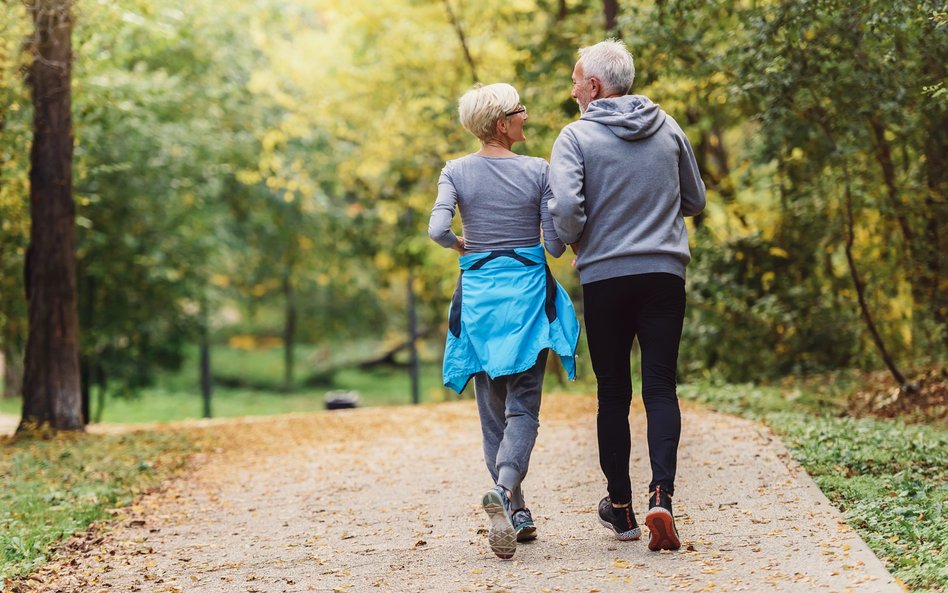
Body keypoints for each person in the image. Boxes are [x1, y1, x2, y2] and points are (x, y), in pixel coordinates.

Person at [548, 39, 706, 552]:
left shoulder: (575, 137)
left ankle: (621, 509)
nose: (572, 90)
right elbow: (694, 199)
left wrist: (580, 240)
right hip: (664, 273)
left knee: (613, 393)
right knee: (660, 386)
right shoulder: (669, 126)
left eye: (576, 80)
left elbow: (567, 209)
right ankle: (663, 494)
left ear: (594, 86)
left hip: (606, 278)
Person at [428, 83, 580, 560]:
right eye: (519, 111)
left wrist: (461, 246)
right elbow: (554, 245)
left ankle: (514, 508)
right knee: (524, 406)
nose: (525, 115)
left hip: (478, 301)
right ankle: (507, 487)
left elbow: (436, 230)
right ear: (501, 124)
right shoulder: (538, 171)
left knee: (492, 409)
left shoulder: (455, 171)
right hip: (527, 299)